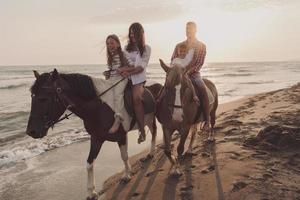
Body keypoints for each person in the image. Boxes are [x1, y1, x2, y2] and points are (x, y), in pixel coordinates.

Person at [171, 21, 209, 130]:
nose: (188, 31)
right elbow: (173, 60)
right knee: (168, 87)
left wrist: (188, 72)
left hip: (194, 74)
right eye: (186, 29)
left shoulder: (201, 46)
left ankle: (207, 120)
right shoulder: (179, 45)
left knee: (202, 90)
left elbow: (199, 63)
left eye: (190, 29)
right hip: (179, 74)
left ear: (195, 30)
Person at [117, 22, 151, 144]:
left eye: (134, 33)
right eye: (130, 33)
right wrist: (123, 70)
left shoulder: (146, 48)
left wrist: (127, 71)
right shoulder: (126, 48)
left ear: (140, 34)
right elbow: (125, 65)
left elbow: (141, 67)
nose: (131, 36)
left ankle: (141, 131)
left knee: (136, 99)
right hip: (126, 78)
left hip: (139, 80)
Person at [103, 34, 134, 134]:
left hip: (121, 79)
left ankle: (118, 118)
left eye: (112, 43)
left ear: (118, 44)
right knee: (102, 92)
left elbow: (132, 66)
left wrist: (124, 70)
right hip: (112, 79)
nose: (110, 45)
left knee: (117, 94)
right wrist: (108, 73)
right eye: (108, 44)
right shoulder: (110, 57)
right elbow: (112, 71)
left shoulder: (124, 54)